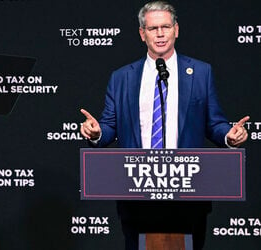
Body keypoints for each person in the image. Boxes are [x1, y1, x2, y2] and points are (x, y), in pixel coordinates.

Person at [80, 1, 249, 250]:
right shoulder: (121, 77)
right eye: (153, 28)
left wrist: (229, 136)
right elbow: (108, 128)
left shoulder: (201, 72)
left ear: (176, 30)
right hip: (137, 189)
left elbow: (214, 124)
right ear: (142, 34)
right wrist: (96, 133)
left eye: (165, 27)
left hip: (189, 189)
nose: (160, 34)